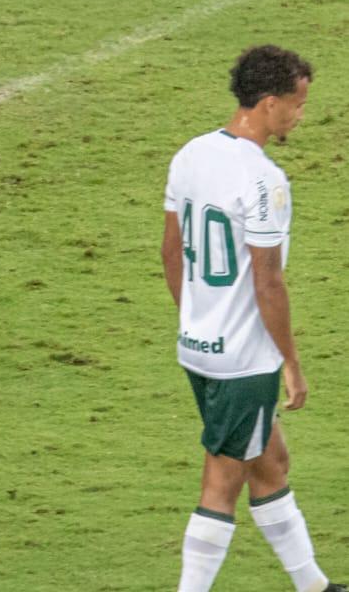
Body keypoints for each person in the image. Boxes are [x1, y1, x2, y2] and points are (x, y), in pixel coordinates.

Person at [161, 46, 342, 592]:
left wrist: (198, 317)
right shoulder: (266, 181)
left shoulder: (190, 154)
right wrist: (291, 362)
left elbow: (171, 251)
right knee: (221, 480)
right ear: (268, 103)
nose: (300, 115)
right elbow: (268, 283)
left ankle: (311, 583)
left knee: (270, 460)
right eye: (296, 104)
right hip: (243, 358)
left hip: (197, 343)